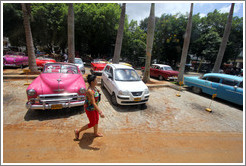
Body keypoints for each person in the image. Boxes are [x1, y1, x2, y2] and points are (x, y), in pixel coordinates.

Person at [74, 74, 105, 139]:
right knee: (92, 123)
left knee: (96, 120)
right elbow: (93, 103)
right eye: (96, 80)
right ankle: (78, 131)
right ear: (92, 82)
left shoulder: (94, 87)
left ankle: (95, 133)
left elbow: (96, 96)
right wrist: (100, 112)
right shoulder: (90, 91)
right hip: (90, 109)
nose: (97, 81)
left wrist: (97, 92)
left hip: (94, 108)